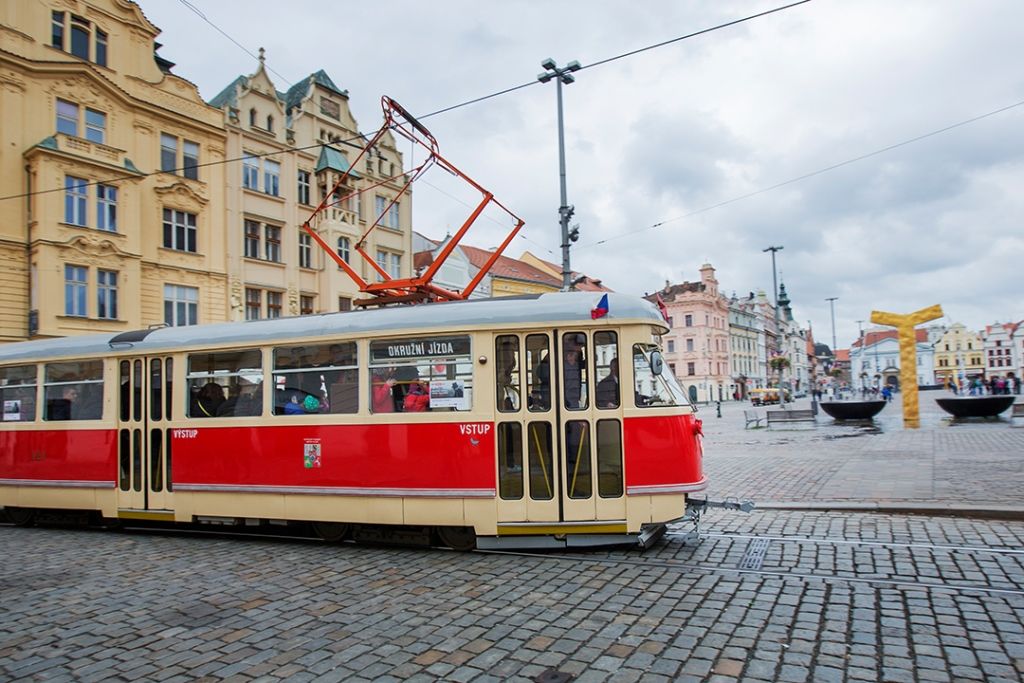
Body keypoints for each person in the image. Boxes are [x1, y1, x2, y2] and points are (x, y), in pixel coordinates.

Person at [562, 339, 584, 409]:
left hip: (574, 397)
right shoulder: (567, 368)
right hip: (570, 399)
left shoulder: (575, 366)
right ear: (569, 357)